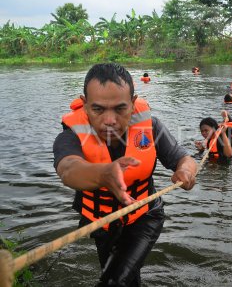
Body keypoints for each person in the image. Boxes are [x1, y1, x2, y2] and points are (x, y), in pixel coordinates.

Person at [53, 63, 197, 286]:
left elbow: (184, 159)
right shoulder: (71, 135)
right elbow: (68, 169)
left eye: (120, 109)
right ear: (84, 104)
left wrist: (185, 171)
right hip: (102, 222)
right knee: (122, 277)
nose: (110, 120)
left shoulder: (151, 127)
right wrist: (103, 173)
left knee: (114, 282)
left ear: (132, 102)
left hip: (145, 217)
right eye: (98, 109)